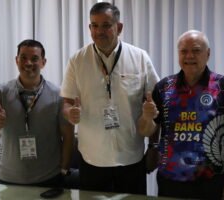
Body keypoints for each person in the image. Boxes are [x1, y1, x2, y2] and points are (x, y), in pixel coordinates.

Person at [60, 2, 159, 194]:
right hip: (92, 158)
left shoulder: (140, 58)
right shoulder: (77, 60)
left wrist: (154, 146)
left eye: (106, 25)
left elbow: (154, 105)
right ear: (89, 28)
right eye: (94, 25)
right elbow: (67, 102)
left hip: (131, 156)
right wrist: (69, 113)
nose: (99, 31)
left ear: (119, 27)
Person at [138, 30, 224, 199]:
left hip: (213, 181)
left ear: (207, 54)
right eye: (184, 51)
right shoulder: (163, 87)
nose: (189, 56)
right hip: (170, 181)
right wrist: (147, 118)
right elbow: (148, 130)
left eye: (196, 50)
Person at [0, 39, 74, 187]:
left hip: (49, 179)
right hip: (9, 179)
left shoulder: (58, 94)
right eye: (23, 58)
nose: (28, 63)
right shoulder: (0, 92)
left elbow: (68, 136)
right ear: (16, 60)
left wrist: (63, 171)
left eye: (34, 59)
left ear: (43, 62)